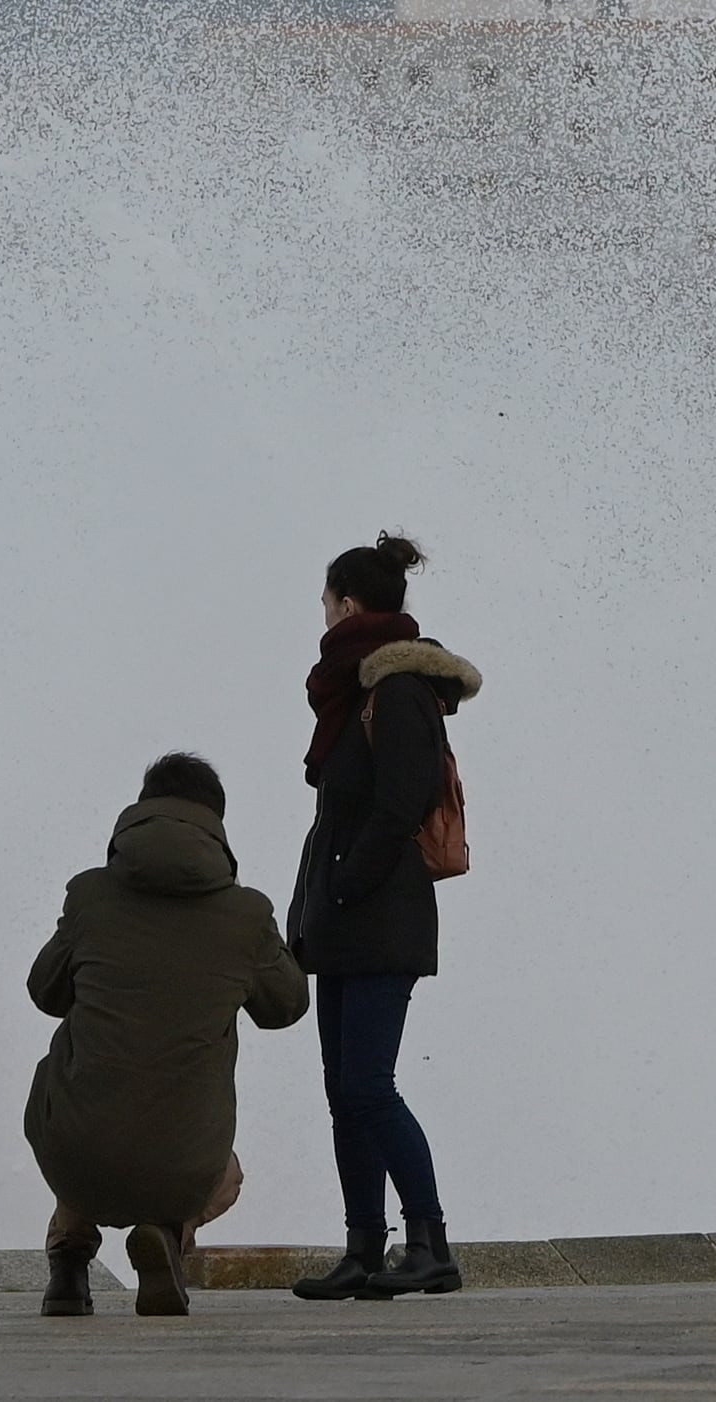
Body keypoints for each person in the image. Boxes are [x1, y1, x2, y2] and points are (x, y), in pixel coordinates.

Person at [25, 752, 310, 1317]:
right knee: (224, 1174)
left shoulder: (89, 896)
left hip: (78, 1151)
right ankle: (168, 1239)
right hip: (184, 1158)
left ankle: (68, 1260)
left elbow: (44, 992)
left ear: (142, 809)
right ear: (216, 825)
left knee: (80, 1108)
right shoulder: (246, 914)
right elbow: (288, 1006)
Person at [285, 532, 481, 1301]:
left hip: (379, 914)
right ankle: (363, 1248)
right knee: (344, 1089)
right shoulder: (357, 692)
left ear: (348, 604)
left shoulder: (394, 690)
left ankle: (429, 1243)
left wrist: (343, 885)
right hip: (345, 917)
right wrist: (318, 903)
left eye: (326, 604)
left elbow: (401, 800)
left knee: (368, 1086)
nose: (322, 619)